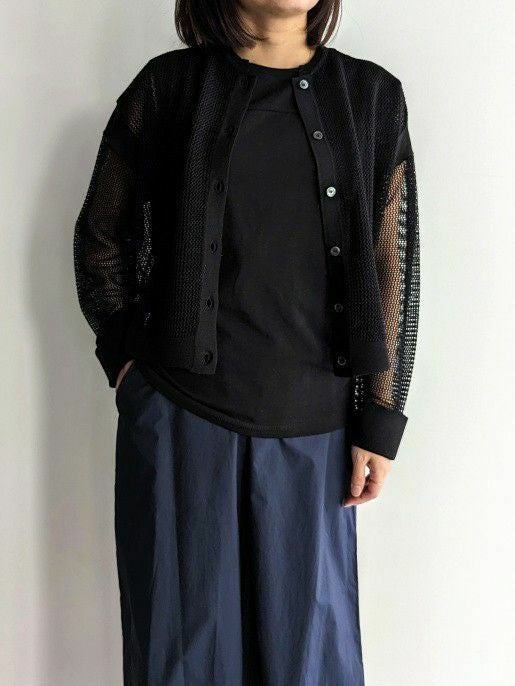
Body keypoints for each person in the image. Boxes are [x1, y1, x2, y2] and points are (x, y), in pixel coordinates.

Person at [73, 0, 420, 683]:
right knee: (181, 660)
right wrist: (127, 365)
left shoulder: (371, 97)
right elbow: (101, 235)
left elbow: (392, 263)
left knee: (308, 663)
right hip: (180, 420)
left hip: (316, 430)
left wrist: (380, 416)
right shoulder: (167, 89)